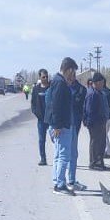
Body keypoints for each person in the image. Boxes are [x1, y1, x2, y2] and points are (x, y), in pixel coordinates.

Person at [44, 57, 78, 195]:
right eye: (73, 71)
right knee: (64, 156)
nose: (73, 74)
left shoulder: (58, 82)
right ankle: (60, 185)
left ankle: (57, 181)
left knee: (58, 155)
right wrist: (57, 125)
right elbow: (56, 106)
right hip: (62, 126)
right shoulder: (60, 83)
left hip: (59, 125)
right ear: (69, 69)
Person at [84, 72, 110, 170]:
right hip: (95, 123)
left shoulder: (100, 93)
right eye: (102, 82)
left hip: (101, 122)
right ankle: (93, 163)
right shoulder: (92, 94)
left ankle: (100, 162)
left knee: (101, 143)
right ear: (97, 82)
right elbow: (89, 110)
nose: (103, 84)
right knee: (95, 143)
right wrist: (90, 122)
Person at [68, 75, 87, 191]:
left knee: (72, 153)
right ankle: (67, 181)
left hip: (75, 123)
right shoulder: (62, 87)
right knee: (66, 154)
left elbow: (83, 107)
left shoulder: (81, 89)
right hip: (66, 125)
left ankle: (70, 179)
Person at [30, 69, 50, 166]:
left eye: (47, 76)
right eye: (43, 77)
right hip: (41, 120)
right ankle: (43, 159)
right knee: (42, 140)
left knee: (56, 140)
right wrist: (36, 112)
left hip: (51, 119)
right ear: (40, 77)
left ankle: (59, 159)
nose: (45, 78)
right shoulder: (36, 89)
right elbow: (33, 103)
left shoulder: (51, 87)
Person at [101, 78, 110, 159]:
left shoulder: (101, 92)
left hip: (105, 116)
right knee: (104, 134)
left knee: (103, 135)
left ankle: (108, 151)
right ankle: (106, 151)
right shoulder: (109, 91)